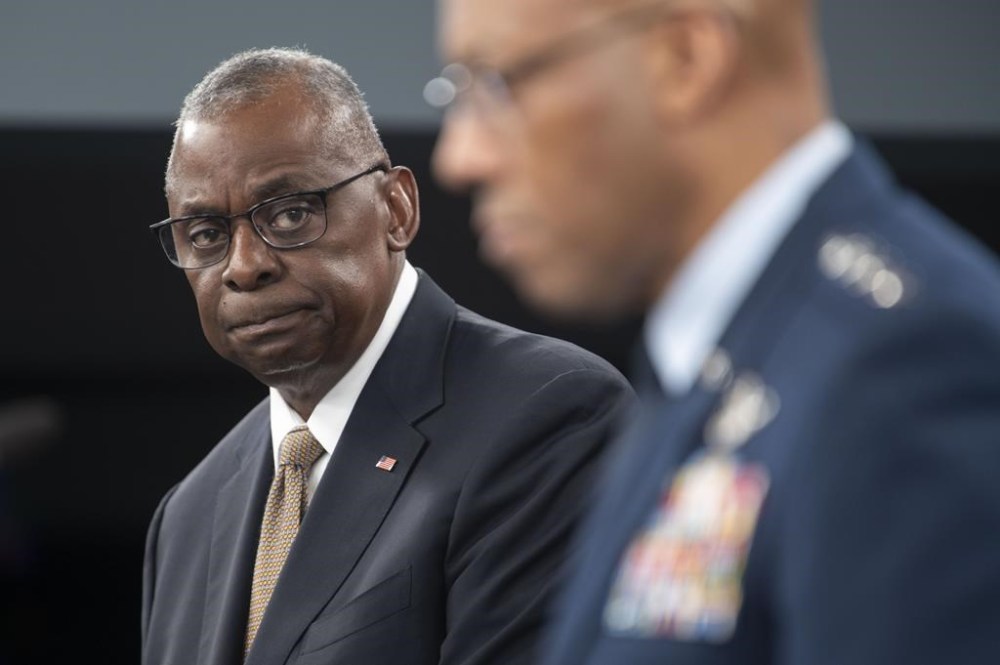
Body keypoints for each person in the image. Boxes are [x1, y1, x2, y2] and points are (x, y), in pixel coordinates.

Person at [430, 0, 1000, 663]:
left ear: (685, 59)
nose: (460, 157)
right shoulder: (724, 347)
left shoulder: (903, 370)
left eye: (497, 82)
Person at [141, 47, 632, 665]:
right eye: (208, 234)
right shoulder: (189, 515)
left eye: (290, 213)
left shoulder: (550, 415)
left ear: (395, 210)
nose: (244, 265)